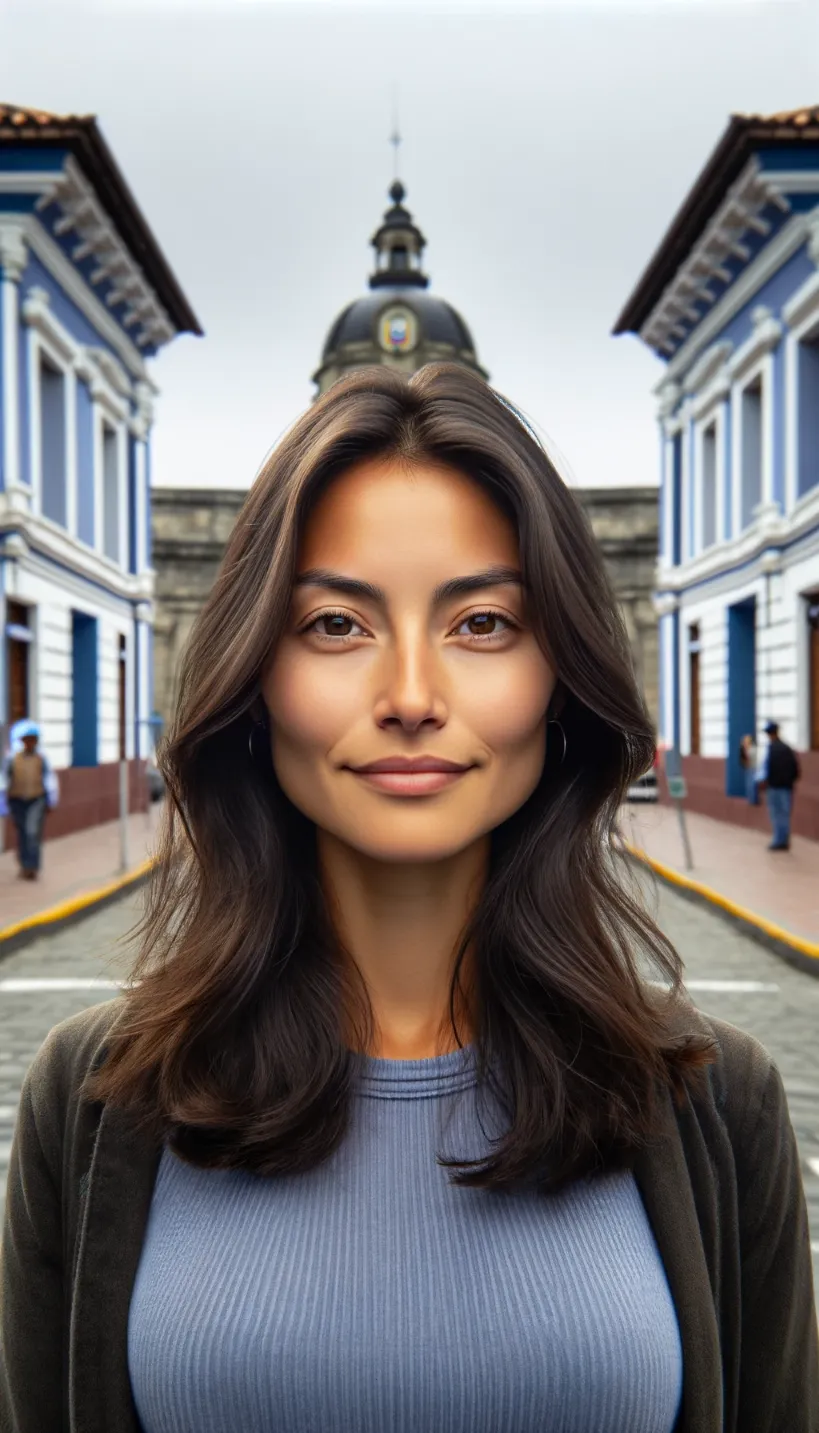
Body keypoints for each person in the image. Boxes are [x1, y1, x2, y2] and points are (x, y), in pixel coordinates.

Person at [1, 364, 816, 1433]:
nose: (413, 699)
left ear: (560, 677)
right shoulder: (90, 1099)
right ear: (254, 675)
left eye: (482, 623)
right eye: (337, 624)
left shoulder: (719, 1102)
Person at [1, 720, 58, 881]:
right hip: (17, 801)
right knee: (22, 833)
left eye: (33, 739)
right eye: (27, 739)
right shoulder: (12, 759)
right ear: (22, 741)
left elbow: (50, 780)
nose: (30, 743)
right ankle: (24, 864)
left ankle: (33, 866)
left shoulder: (42, 758)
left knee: (32, 832)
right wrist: (3, 803)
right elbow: (5, 780)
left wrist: (51, 800)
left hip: (36, 799)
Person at [757, 720, 801, 851]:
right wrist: (790, 781)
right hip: (786, 787)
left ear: (770, 734)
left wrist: (763, 782)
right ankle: (784, 840)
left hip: (774, 787)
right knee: (785, 814)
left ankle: (779, 840)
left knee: (776, 814)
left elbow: (766, 769)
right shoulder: (787, 749)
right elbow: (795, 769)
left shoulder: (771, 749)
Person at [738, 733, 758, 805]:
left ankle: (753, 799)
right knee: (749, 783)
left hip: (752, 768)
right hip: (749, 768)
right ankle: (750, 798)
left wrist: (744, 749)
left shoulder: (752, 749)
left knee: (751, 783)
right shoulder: (749, 749)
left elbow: (748, 759)